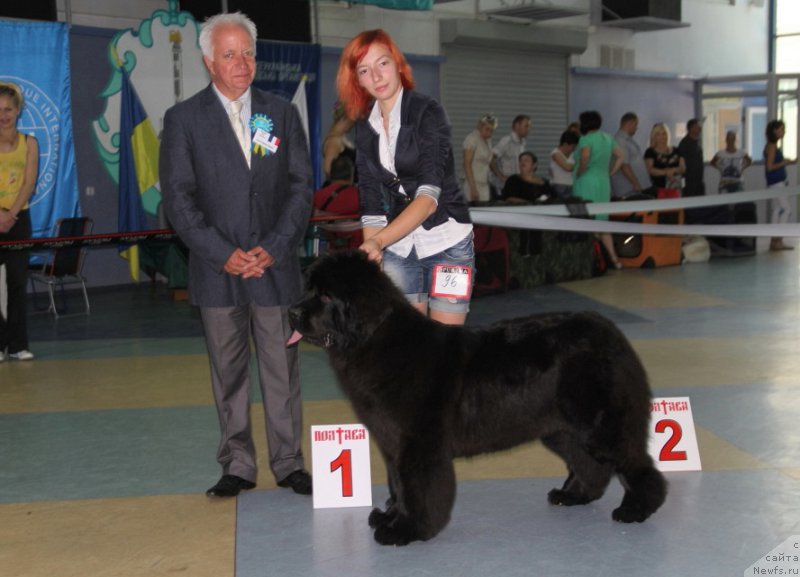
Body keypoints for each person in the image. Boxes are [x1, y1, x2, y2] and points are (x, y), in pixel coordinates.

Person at [159, 12, 313, 498]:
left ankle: (289, 462)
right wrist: (222, 253)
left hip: (275, 267)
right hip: (216, 270)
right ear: (209, 61)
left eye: (247, 52)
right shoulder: (183, 120)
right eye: (229, 55)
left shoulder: (281, 113)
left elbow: (300, 189)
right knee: (227, 374)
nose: (242, 63)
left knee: (281, 371)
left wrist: (274, 246)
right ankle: (238, 464)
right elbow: (178, 200)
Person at [336, 28, 474, 326]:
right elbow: (370, 203)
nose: (376, 76)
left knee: (445, 350)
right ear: (356, 79)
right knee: (404, 350)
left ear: (398, 64)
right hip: (398, 247)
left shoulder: (428, 112)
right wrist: (373, 259)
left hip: (448, 243)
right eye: (364, 70)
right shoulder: (364, 127)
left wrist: (378, 242)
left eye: (382, 63)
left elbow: (428, 200)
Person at [0, 82, 37, 363]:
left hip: (18, 219)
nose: (4, 115)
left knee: (16, 284)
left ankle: (17, 345)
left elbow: (29, 183)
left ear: (18, 110)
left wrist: (10, 214)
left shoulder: (30, 143)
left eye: (8, 109)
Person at [572, 110, 624, 269]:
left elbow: (585, 156)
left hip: (587, 182)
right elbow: (621, 156)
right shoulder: (608, 138)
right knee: (603, 222)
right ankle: (615, 260)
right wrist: (611, 172)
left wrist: (580, 170)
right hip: (603, 182)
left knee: (588, 221)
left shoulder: (585, 139)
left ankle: (593, 259)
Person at [312, 155, 362, 250]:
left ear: (331, 174)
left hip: (333, 248)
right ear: (351, 175)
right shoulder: (360, 195)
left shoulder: (318, 196)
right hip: (361, 250)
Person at [763, 119, 796, 251]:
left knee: (778, 209)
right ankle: (778, 240)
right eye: (781, 129)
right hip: (776, 183)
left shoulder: (772, 145)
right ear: (774, 130)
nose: (783, 132)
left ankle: (774, 240)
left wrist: (788, 162)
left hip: (777, 182)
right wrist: (785, 163)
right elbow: (770, 167)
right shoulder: (771, 146)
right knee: (787, 209)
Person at [611, 112, 653, 200]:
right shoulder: (620, 140)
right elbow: (624, 165)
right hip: (628, 189)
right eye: (635, 124)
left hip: (634, 189)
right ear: (629, 124)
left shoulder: (628, 139)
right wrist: (635, 183)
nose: (636, 128)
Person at [463, 114, 497, 203]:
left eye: (491, 131)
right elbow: (467, 164)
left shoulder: (488, 141)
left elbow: (490, 161)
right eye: (487, 129)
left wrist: (499, 175)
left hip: (485, 183)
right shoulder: (472, 139)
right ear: (480, 126)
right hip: (473, 183)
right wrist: (473, 188)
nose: (489, 133)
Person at [491, 114, 531, 188]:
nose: (528, 129)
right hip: (504, 186)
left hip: (517, 185)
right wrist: (500, 176)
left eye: (529, 127)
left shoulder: (522, 143)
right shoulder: (506, 141)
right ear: (517, 126)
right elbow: (491, 158)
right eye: (526, 126)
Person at [644, 122, 685, 195]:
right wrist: (666, 172)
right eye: (658, 134)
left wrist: (672, 170)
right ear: (654, 136)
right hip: (659, 190)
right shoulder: (650, 152)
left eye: (664, 133)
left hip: (676, 188)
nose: (662, 136)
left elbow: (682, 168)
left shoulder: (676, 150)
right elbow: (650, 170)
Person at [321, 101, 356, 184]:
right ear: (346, 117)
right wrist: (345, 188)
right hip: (341, 193)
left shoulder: (340, 138)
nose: (354, 122)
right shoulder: (333, 141)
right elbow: (328, 170)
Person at [678, 118, 705, 198]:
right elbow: (681, 164)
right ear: (691, 128)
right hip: (689, 182)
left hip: (699, 181)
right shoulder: (684, 143)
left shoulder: (697, 142)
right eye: (697, 127)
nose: (700, 129)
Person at [549, 129, 578, 199]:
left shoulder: (573, 154)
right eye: (573, 146)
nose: (574, 149)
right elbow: (567, 167)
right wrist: (577, 165)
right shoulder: (555, 153)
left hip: (571, 185)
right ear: (565, 144)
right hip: (559, 186)